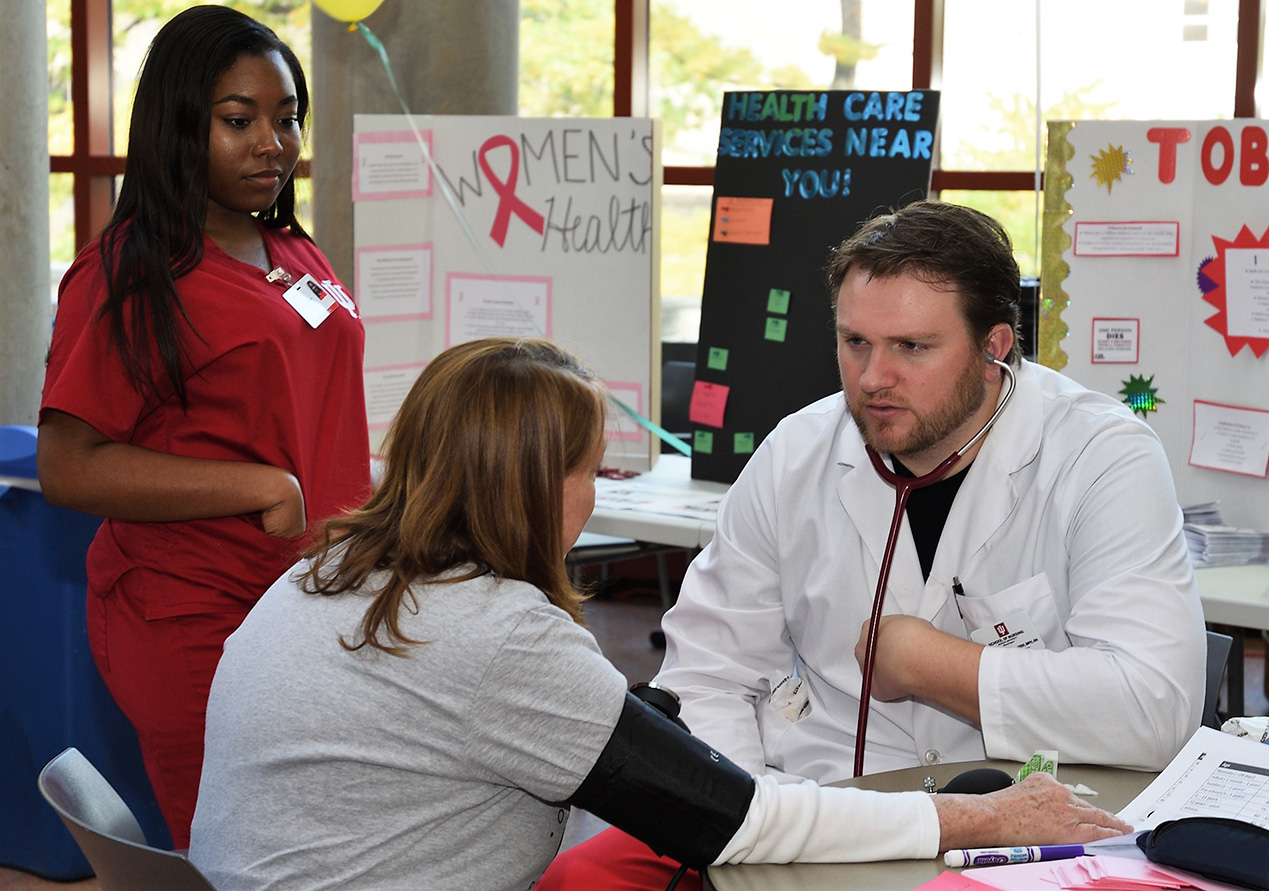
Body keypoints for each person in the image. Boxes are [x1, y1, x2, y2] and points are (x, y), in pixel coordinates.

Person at [186, 337, 1129, 891]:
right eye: (588, 470)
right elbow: (732, 821)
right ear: (531, 486)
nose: (593, 494)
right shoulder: (493, 632)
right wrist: (970, 816)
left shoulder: (328, 572)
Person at [539, 200, 1206, 890]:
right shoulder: (796, 451)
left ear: (994, 348)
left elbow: (1153, 707)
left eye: (911, 347)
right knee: (579, 882)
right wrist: (748, 827)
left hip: (1014, 825)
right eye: (855, 342)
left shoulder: (1101, 457)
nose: (871, 378)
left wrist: (928, 663)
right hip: (806, 804)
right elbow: (707, 674)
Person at [37, 6, 371, 848]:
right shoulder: (128, 274)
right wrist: (260, 485)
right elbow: (68, 465)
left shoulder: (288, 248)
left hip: (306, 602)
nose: (272, 144)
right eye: (238, 120)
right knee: (242, 854)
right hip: (193, 615)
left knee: (318, 841)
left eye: (286, 117)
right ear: (179, 126)